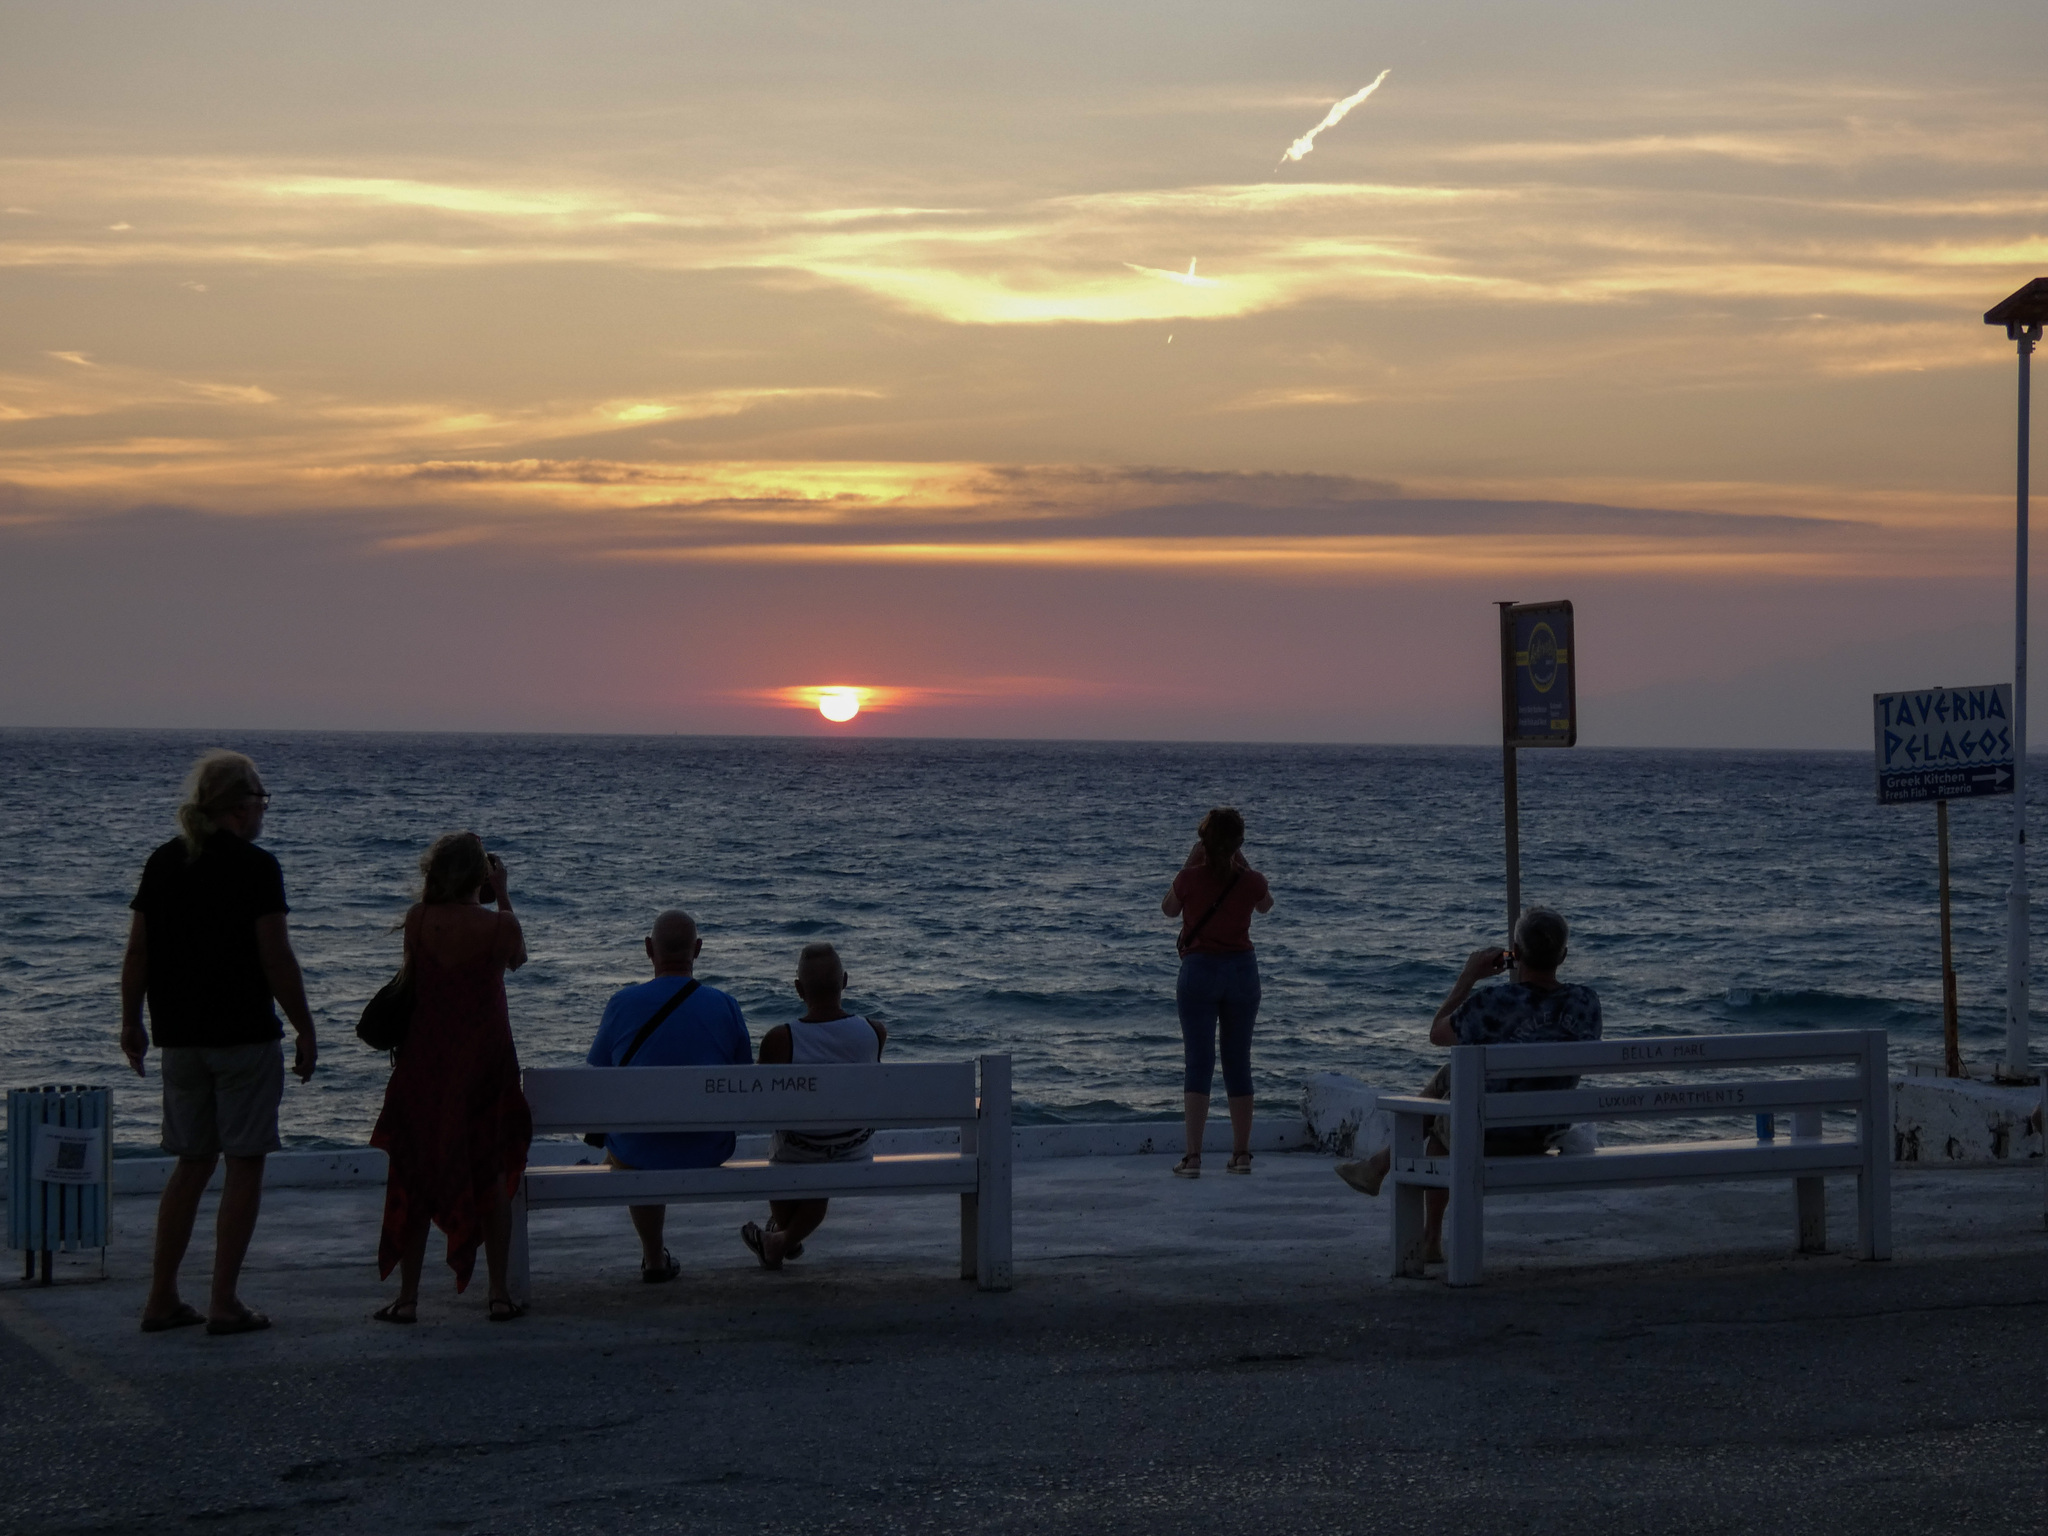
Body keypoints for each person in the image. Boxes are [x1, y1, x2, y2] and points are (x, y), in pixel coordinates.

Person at [121, 751, 317, 1336]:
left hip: (179, 1040)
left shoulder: (163, 862)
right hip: (242, 1037)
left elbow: (139, 952)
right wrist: (305, 1025)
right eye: (261, 799)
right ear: (239, 805)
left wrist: (131, 1021)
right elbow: (275, 957)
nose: (264, 810)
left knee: (191, 1164)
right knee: (244, 1163)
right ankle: (224, 1300)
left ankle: (161, 1297)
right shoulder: (257, 867)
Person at [1334, 906, 1601, 1264]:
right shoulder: (1586, 1003)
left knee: (1442, 1127)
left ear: (1515, 955)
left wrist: (1469, 976)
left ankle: (1418, 1220)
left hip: (1488, 1133)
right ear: (1563, 956)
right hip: (1543, 1131)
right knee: (1451, 1078)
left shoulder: (1492, 1002)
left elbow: (1437, 1033)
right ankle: (1379, 1168)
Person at [369, 832, 531, 1323]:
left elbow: (416, 980)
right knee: (493, 1174)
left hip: (427, 1063)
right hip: (486, 1064)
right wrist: (501, 892)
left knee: (415, 1174)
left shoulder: (418, 921)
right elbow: (517, 959)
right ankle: (498, 1293)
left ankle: (407, 1298)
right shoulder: (500, 925)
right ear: (480, 874)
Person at [586, 910, 751, 1283]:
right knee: (644, 1134)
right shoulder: (725, 1005)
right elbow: (744, 1075)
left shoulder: (622, 1003)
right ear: (698, 949)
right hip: (709, 1148)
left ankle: (652, 1257)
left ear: (649, 949)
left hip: (638, 1150)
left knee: (636, 1140)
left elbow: (600, 1073)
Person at [740, 942, 887, 1271]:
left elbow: (760, 1104)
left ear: (797, 989)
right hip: (854, 1150)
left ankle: (779, 1237)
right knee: (818, 1170)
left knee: (789, 1155)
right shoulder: (874, 1032)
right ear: (845, 982)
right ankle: (780, 1236)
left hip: (796, 1150)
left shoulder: (780, 1039)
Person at [1160, 807, 1274, 1178]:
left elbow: (1168, 911)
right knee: (1238, 1061)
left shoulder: (1189, 878)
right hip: (1242, 971)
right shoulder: (1251, 880)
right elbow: (1266, 905)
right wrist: (1241, 862)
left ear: (1204, 843)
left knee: (1199, 1062)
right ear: (1238, 844)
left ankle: (1193, 1158)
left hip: (1199, 971)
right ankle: (1241, 1153)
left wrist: (1192, 861)